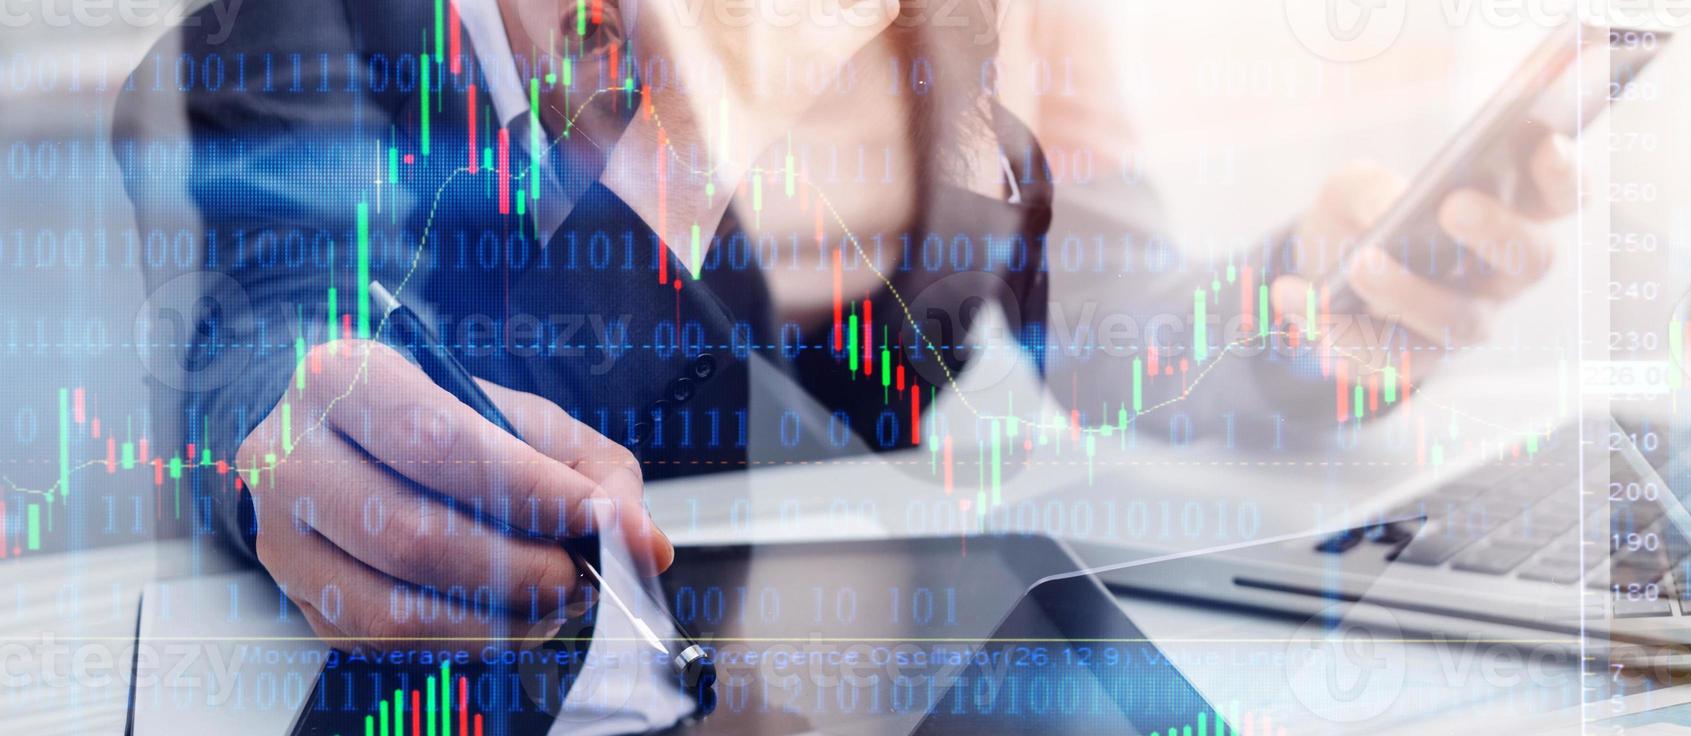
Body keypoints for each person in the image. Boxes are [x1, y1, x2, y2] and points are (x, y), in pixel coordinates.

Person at [113, 0, 1570, 651]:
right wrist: (276, 434)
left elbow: (1115, 325)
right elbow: (269, 337)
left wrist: (1318, 308)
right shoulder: (295, 27)